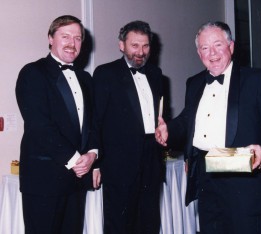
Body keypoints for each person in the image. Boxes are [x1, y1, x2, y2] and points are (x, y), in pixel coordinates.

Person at [155, 21, 261, 234]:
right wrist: (168, 131)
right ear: (199, 52)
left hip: (245, 183)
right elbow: (187, 120)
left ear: (231, 47)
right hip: (205, 179)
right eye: (205, 48)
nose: (212, 53)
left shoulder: (256, 80)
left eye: (218, 45)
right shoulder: (194, 82)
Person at [15, 15, 98, 234]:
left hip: (77, 180)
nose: (72, 43)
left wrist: (93, 154)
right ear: (51, 38)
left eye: (78, 38)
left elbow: (94, 124)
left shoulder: (86, 79)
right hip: (45, 181)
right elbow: (39, 126)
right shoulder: (33, 73)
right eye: (65, 36)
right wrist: (76, 161)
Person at [92, 20, 164, 234]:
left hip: (151, 161)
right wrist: (96, 162)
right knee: (119, 225)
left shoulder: (156, 74)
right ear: (121, 45)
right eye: (134, 45)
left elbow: (158, 117)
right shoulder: (105, 73)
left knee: (149, 222)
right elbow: (96, 120)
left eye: (145, 46)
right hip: (119, 165)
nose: (140, 52)